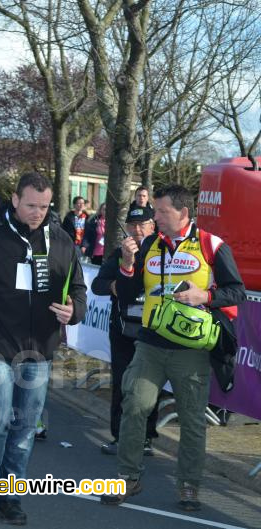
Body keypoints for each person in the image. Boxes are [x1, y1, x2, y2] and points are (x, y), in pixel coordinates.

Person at [0, 172, 87, 524]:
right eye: (31, 205)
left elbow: (78, 289)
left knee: (24, 428)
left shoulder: (61, 241)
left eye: (45, 206)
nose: (38, 212)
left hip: (39, 351)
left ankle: (11, 495)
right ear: (16, 199)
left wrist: (75, 312)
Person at [100, 185, 245, 511]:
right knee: (134, 404)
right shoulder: (149, 245)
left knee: (192, 420)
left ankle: (189, 486)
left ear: (184, 213)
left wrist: (204, 296)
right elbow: (127, 294)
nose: (156, 217)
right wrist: (127, 263)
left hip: (191, 349)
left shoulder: (211, 245)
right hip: (150, 343)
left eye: (162, 212)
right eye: (155, 211)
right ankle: (127, 478)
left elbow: (236, 292)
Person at [91, 205, 159, 457]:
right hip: (122, 329)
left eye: (142, 225)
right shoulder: (119, 253)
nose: (137, 230)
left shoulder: (161, 252)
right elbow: (97, 285)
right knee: (122, 382)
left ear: (153, 226)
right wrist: (115, 286)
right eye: (133, 225)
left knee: (151, 384)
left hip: (153, 329)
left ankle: (146, 438)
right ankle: (119, 436)